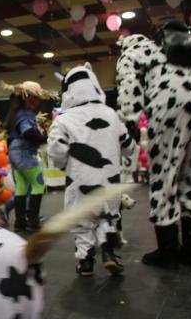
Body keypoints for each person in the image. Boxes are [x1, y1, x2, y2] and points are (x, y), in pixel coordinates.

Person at [116, 22, 191, 268]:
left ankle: (168, 251)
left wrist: (128, 121)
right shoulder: (181, 56)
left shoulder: (135, 50)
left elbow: (128, 83)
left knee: (165, 174)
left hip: (171, 99)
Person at [49, 63, 135, 276]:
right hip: (109, 181)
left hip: (80, 181)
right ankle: (109, 252)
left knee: (82, 221)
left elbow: (55, 151)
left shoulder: (64, 119)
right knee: (109, 216)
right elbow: (129, 147)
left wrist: (62, 166)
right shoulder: (111, 114)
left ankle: (86, 261)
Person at [2, 80, 57, 233]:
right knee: (38, 184)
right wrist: (44, 138)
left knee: (21, 187)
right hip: (24, 153)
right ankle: (33, 221)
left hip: (15, 154)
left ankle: (20, 223)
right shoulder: (25, 113)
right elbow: (28, 132)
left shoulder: (18, 112)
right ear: (29, 98)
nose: (38, 101)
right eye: (36, 97)